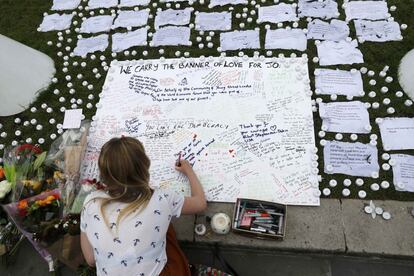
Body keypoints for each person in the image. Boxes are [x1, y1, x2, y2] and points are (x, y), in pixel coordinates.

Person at [80, 137, 207, 276]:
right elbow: (200, 203)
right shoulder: (161, 198)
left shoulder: (90, 203)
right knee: (167, 227)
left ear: (104, 173)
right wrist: (189, 171)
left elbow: (91, 259)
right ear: (145, 166)